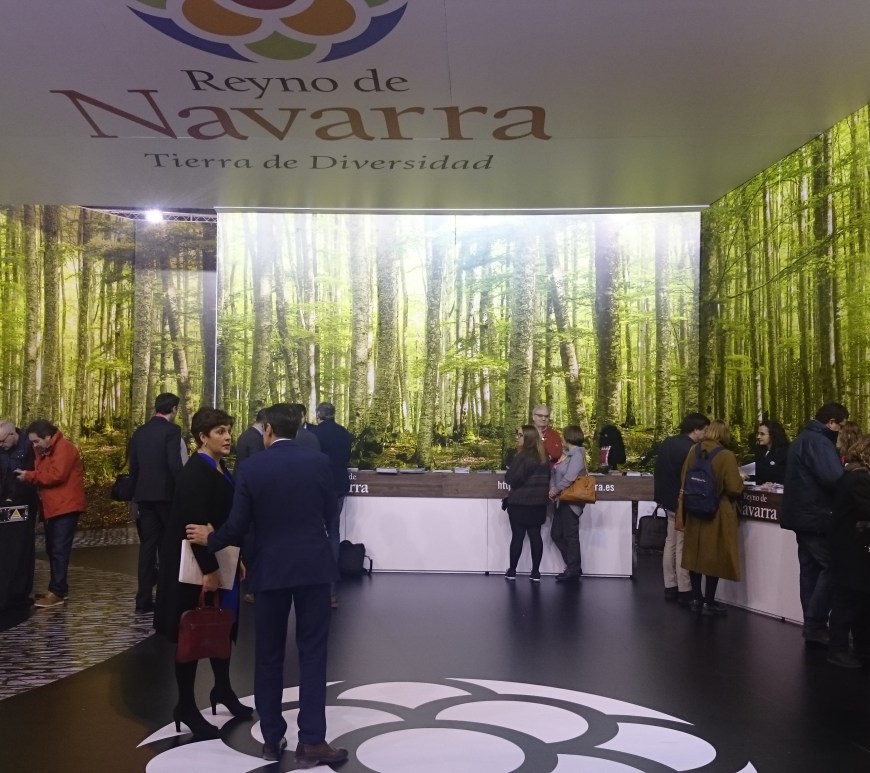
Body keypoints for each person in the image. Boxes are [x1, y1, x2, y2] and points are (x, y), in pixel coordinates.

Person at [186, 403, 347, 766]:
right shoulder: (318, 463)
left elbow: (238, 524)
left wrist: (211, 539)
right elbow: (330, 512)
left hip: (270, 568)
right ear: (298, 428)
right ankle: (312, 741)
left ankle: (272, 739)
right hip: (313, 568)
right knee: (313, 653)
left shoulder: (253, 467)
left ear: (268, 430)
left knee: (269, 654)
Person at [153, 407, 252, 741]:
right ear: (202, 437)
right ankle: (185, 705)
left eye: (228, 430)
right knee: (192, 633)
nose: (227, 437)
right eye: (220, 432)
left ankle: (222, 689)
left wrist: (234, 558)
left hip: (217, 557)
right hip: (194, 567)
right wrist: (209, 570)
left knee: (221, 626)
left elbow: (218, 519)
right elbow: (194, 527)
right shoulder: (196, 471)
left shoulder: (219, 467)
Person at [781, 402, 848, 645]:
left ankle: (812, 626)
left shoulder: (802, 439)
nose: (841, 431)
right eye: (841, 426)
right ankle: (815, 623)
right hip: (817, 517)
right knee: (832, 567)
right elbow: (834, 478)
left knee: (810, 570)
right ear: (831, 422)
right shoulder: (820, 442)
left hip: (802, 517)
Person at [15, 420, 86, 609]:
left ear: (47, 437)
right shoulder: (45, 449)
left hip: (65, 506)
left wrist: (29, 476)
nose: (34, 445)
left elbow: (56, 475)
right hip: (53, 506)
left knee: (59, 549)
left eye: (36, 441)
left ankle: (57, 592)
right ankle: (58, 588)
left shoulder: (65, 448)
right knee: (52, 548)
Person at [678, 419, 744, 616]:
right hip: (716, 511)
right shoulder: (726, 456)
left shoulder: (694, 450)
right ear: (724, 434)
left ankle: (696, 598)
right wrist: (742, 480)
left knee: (694, 555)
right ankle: (709, 601)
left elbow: (684, 477)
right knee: (713, 556)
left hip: (694, 508)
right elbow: (733, 488)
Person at [128, 393, 185, 613]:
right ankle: (166, 597)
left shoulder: (140, 432)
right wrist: (183, 488)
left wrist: (135, 494)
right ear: (173, 409)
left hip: (144, 496)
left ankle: (143, 599)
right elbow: (174, 464)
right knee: (169, 545)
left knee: (148, 547)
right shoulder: (172, 431)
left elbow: (134, 467)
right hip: (166, 496)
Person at [654, 412, 709, 604]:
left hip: (667, 499)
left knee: (670, 542)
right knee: (682, 544)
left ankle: (670, 585)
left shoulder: (668, 442)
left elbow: (659, 470)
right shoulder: (692, 449)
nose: (706, 434)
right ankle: (685, 588)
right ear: (696, 429)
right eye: (705, 430)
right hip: (682, 501)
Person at [826, 434, 870, 668]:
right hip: (852, 547)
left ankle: (859, 647)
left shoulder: (852, 475)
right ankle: (839, 649)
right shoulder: (860, 479)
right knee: (849, 600)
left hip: (849, 545)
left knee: (858, 599)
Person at [309, 402, 353, 609]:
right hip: (340, 486)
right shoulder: (344, 433)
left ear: (318, 415)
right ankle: (331, 590)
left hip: (320, 488)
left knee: (315, 533)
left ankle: (314, 583)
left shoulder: (314, 435)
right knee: (334, 533)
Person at [504, 425, 551, 582]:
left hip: (520, 504)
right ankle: (535, 572)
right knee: (536, 537)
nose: (517, 438)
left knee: (517, 537)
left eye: (520, 435)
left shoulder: (522, 457)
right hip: (538, 506)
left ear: (528, 438)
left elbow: (511, 479)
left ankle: (512, 571)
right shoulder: (544, 458)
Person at [0, 421, 38, 606]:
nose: (1, 445)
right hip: (3, 502)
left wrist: (12, 497)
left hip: (23, 502)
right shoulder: (3, 446)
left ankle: (20, 591)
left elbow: (29, 474)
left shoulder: (29, 446)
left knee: (22, 547)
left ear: (12, 434)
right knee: (5, 548)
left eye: (2, 441)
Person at [549, 425, 588, 582]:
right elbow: (555, 472)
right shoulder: (566, 454)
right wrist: (553, 488)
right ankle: (574, 566)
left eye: (563, 436)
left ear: (568, 437)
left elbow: (570, 477)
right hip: (561, 500)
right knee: (556, 534)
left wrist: (555, 489)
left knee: (570, 536)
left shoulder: (577, 454)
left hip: (570, 502)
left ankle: (573, 568)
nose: (561, 439)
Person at [754, 419, 790, 486]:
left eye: (762, 434)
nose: (758, 436)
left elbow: (788, 475)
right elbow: (758, 474)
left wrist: (774, 484)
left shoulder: (785, 451)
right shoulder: (759, 450)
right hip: (760, 490)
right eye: (758, 433)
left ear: (773, 434)